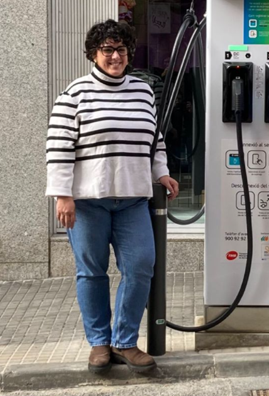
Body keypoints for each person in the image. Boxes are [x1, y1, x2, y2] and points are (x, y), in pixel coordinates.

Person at [45, 19, 179, 374]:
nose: (115, 56)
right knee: (91, 273)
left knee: (140, 268)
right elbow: (58, 147)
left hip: (133, 200)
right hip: (88, 202)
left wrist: (160, 172)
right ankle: (99, 343)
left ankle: (124, 342)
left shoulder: (143, 92)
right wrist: (62, 195)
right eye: (107, 49)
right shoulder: (75, 94)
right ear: (93, 53)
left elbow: (155, 139)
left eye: (121, 49)